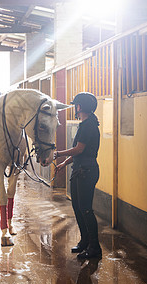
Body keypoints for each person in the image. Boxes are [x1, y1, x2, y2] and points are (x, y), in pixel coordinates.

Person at [54, 92, 102, 259]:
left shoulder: (88, 126)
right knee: (78, 208)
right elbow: (78, 153)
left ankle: (94, 248)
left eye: (76, 105)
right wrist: (64, 163)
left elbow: (79, 150)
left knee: (86, 210)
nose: (75, 107)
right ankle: (85, 242)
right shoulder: (86, 124)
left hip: (86, 171)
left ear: (79, 107)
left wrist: (58, 154)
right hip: (80, 170)